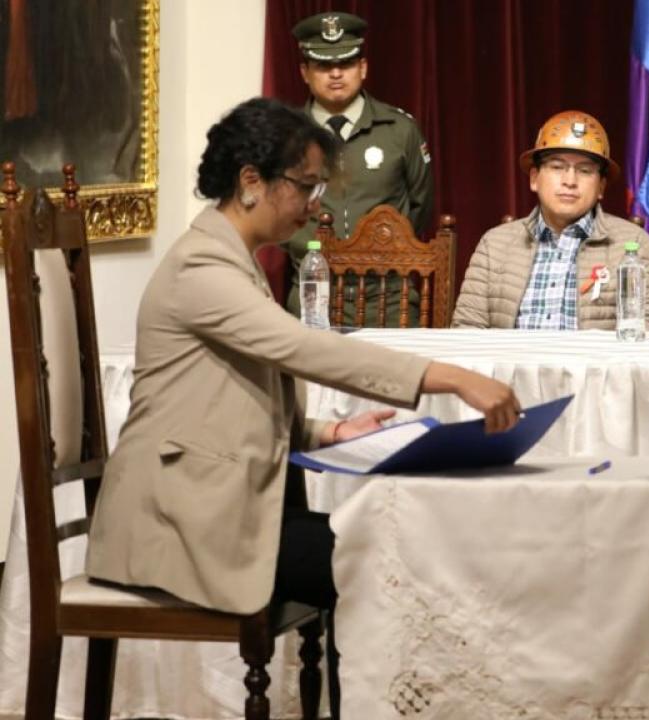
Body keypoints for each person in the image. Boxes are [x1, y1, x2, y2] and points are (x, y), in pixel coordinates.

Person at [86, 98, 519, 623]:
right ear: (251, 180)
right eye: (306, 185)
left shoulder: (230, 260)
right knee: (381, 565)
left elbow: (231, 402)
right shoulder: (200, 266)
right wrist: (450, 377)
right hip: (177, 523)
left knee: (386, 550)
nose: (316, 204)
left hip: (218, 507)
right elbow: (304, 347)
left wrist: (325, 434)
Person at [284, 11, 434, 325]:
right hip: (314, 290)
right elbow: (274, 208)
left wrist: (384, 250)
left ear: (363, 68)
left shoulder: (399, 129)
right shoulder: (286, 136)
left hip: (391, 295)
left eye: (346, 63)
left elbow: (421, 204)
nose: (335, 74)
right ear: (304, 72)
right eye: (323, 66)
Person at [452, 110, 649, 330]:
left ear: (601, 187)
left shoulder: (633, 244)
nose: (570, 181)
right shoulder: (494, 244)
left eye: (585, 170)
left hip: (591, 364)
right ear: (534, 179)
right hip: (510, 364)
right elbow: (467, 330)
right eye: (557, 167)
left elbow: (644, 330)